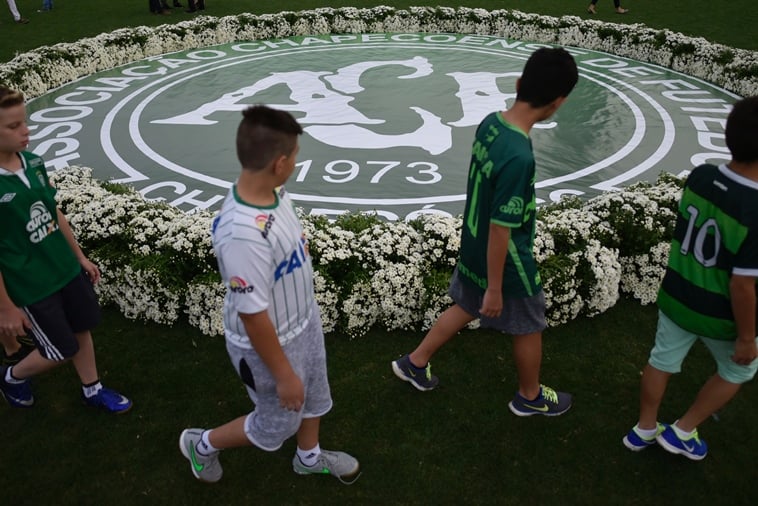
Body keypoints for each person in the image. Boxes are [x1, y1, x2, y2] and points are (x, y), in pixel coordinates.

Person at [391, 47, 579, 417]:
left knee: (465, 305)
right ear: (558, 102)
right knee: (529, 325)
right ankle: (530, 396)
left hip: (473, 245)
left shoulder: (491, 122)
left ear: (519, 83)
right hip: (506, 261)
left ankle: (415, 362)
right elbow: (501, 228)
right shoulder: (519, 156)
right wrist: (496, 287)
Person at [179, 105, 360, 484]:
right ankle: (203, 444)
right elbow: (252, 315)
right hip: (268, 341)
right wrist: (283, 374)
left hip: (302, 319)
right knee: (276, 423)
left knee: (315, 393)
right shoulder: (242, 235)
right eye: (294, 156)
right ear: (279, 163)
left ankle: (308, 457)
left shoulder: (273, 189)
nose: (295, 162)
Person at [622, 96, 758, 461]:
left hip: (677, 295)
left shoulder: (701, 176)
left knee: (661, 360)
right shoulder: (754, 210)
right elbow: (743, 286)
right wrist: (747, 337)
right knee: (738, 370)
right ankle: (683, 430)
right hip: (720, 315)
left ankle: (644, 428)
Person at [0, 86, 132, 413]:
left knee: (81, 327)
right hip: (31, 284)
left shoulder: (33, 162)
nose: (25, 130)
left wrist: (80, 257)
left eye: (24, 122)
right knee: (59, 349)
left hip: (64, 269)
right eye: (13, 126)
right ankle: (11, 376)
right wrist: (6, 308)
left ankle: (93, 389)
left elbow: (54, 213)